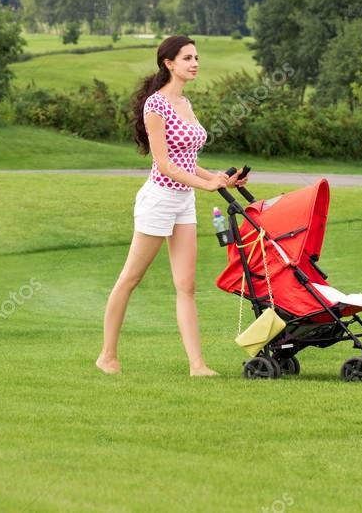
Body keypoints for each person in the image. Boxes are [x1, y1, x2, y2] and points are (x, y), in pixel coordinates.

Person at [95, 35, 248, 376]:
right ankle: (107, 356)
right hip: (159, 200)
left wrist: (221, 178)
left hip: (184, 202)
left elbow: (188, 161)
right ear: (169, 63)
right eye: (187, 58)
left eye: (196, 57)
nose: (195, 63)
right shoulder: (156, 106)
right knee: (130, 278)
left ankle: (197, 365)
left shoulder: (186, 104)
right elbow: (165, 165)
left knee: (187, 286)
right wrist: (206, 184)